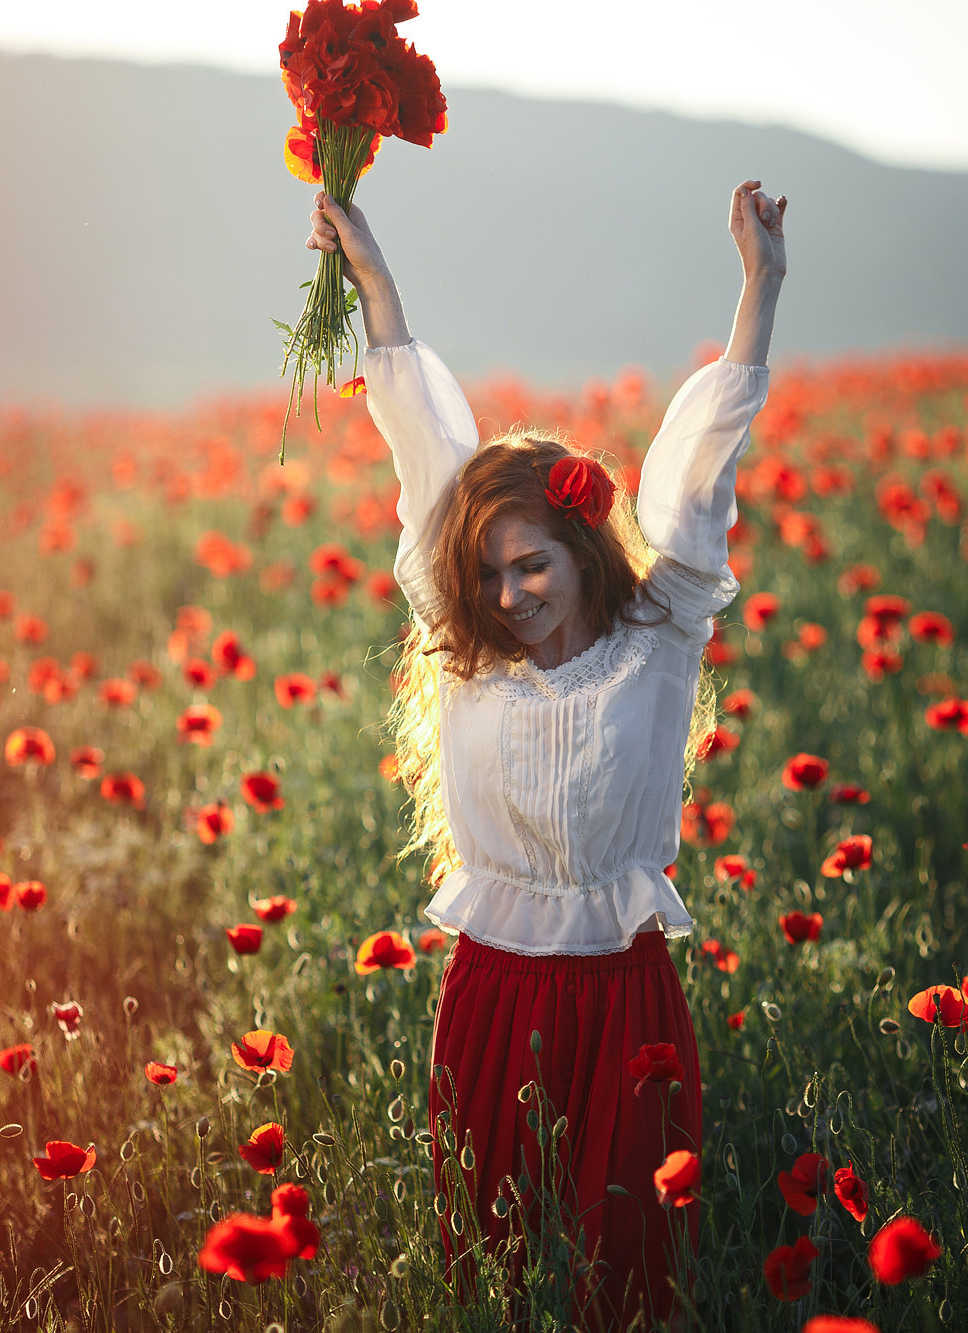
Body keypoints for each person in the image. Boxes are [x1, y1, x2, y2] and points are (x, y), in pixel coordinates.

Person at [304, 179, 787, 1328]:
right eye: (488, 574)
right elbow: (424, 454)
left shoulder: (657, 639)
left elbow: (701, 474)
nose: (510, 592)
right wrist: (375, 282)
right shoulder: (464, 653)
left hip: (625, 991)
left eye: (530, 564)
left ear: (578, 548)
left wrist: (760, 286)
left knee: (629, 1275)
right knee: (488, 1270)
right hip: (491, 983)